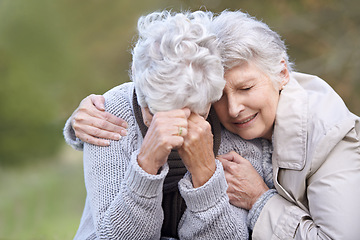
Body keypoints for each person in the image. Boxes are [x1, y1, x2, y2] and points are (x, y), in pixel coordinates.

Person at [68, 10, 360, 239]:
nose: (234, 109)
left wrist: (228, 184)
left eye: (246, 88)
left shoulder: (323, 137)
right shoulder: (109, 115)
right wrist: (145, 162)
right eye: (221, 94)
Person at [64, 10, 275, 240]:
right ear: (137, 82)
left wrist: (205, 175)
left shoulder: (234, 125)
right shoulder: (108, 116)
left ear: (211, 98)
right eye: (155, 113)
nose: (172, 128)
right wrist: (146, 165)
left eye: (191, 113)